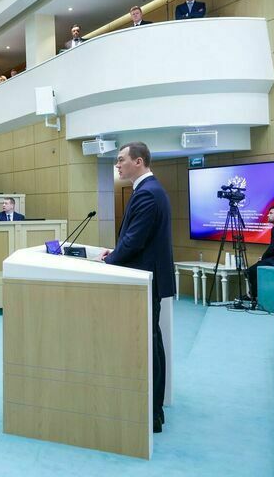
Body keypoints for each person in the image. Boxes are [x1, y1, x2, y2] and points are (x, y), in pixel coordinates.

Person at [96, 141, 174, 434]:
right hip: (146, 275)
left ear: (138, 161)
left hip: (144, 278)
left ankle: (153, 412)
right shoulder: (148, 190)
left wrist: (111, 260)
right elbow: (134, 239)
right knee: (152, 342)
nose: (117, 165)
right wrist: (115, 252)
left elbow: (135, 240)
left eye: (121, 160)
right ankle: (155, 409)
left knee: (149, 345)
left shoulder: (147, 193)